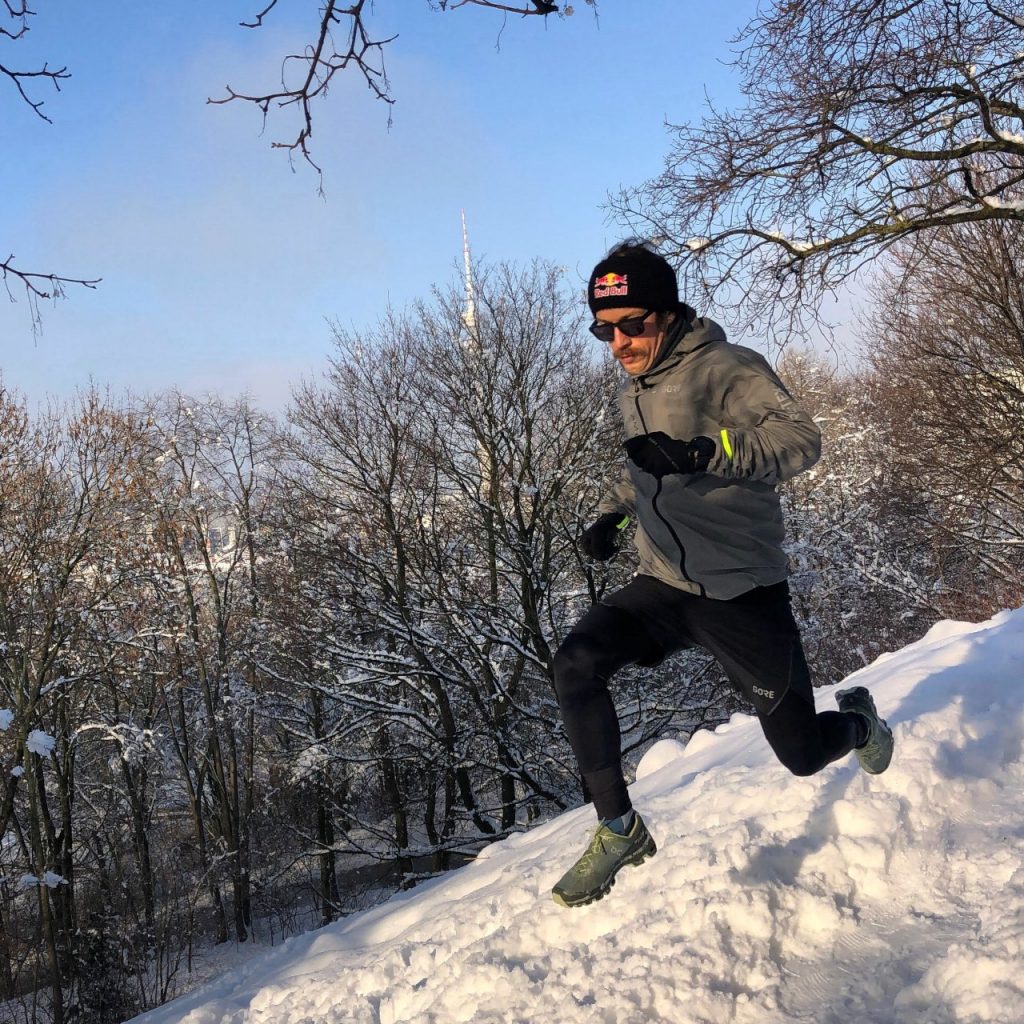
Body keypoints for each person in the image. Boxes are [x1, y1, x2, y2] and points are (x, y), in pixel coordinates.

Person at [550, 241, 894, 909]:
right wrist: (612, 516)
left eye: (633, 324)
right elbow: (645, 467)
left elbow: (801, 439)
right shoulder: (635, 390)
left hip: (741, 593)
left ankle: (859, 726)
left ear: (670, 315)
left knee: (800, 753)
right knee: (575, 663)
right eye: (604, 329)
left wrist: (710, 449)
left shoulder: (726, 369)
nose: (619, 342)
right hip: (664, 584)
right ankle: (618, 828)